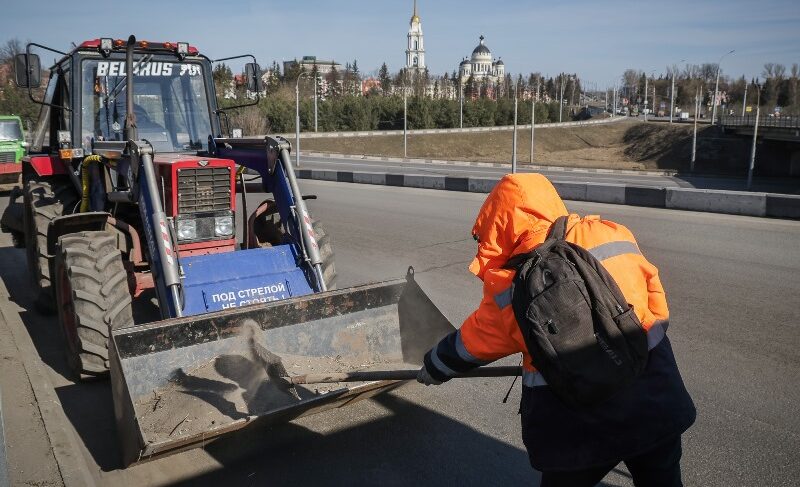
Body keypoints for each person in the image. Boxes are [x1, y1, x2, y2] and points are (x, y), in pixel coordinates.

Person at [417, 173, 696, 487]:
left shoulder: (514, 284)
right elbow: (658, 308)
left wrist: (433, 367)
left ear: (499, 225)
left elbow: (471, 343)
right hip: (655, 398)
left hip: (581, 429)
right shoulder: (611, 233)